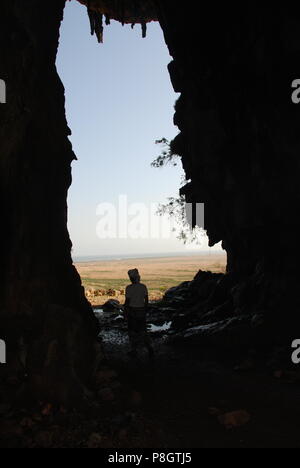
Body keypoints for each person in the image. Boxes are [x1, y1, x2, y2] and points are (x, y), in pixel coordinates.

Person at [124, 268, 154, 358]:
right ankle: (149, 348)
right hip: (141, 311)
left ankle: (134, 350)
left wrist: (125, 312)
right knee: (143, 330)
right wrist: (145, 310)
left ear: (131, 278)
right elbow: (146, 300)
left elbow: (127, 301)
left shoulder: (128, 288)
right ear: (138, 277)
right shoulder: (143, 286)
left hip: (132, 311)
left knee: (132, 331)